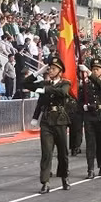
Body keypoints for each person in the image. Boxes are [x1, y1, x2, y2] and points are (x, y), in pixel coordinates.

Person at [29, 56, 70, 193]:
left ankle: (64, 177)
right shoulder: (44, 84)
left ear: (60, 72)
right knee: (46, 153)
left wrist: (46, 90)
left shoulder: (65, 83)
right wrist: (37, 73)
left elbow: (62, 92)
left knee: (63, 152)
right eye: (49, 69)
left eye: (53, 69)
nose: (50, 71)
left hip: (60, 121)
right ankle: (45, 182)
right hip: (46, 121)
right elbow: (26, 85)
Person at [80, 59, 101, 179]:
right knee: (90, 144)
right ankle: (90, 169)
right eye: (93, 69)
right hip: (89, 117)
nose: (94, 71)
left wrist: (89, 73)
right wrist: (83, 107)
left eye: (97, 70)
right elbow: (80, 100)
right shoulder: (86, 85)